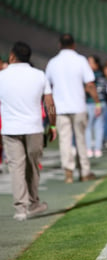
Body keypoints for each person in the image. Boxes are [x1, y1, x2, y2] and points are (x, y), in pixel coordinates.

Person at [0, 41, 57, 221]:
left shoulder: (2, 76)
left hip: (10, 129)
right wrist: (53, 125)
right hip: (34, 128)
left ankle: (20, 209)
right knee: (33, 167)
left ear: (11, 56)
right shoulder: (39, 75)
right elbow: (50, 104)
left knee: (16, 167)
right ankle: (33, 203)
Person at [45, 34, 101, 184]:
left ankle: (68, 173)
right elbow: (89, 84)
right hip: (78, 106)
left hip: (61, 107)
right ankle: (85, 171)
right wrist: (97, 102)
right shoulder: (80, 60)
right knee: (81, 140)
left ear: (59, 45)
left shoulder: (53, 63)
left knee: (65, 141)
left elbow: (47, 86)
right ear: (74, 45)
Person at [86, 55, 106, 158]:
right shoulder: (102, 74)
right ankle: (97, 149)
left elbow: (90, 88)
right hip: (100, 103)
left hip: (92, 102)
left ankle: (90, 149)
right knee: (98, 127)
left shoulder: (91, 75)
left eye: (90, 62)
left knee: (89, 127)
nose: (88, 64)